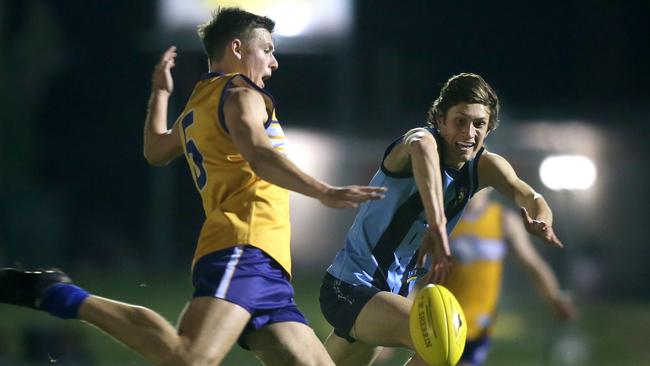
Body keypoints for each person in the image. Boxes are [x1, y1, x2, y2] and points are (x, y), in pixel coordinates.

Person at [0, 7, 386, 366]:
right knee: (191, 357)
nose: (274, 62)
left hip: (265, 264)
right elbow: (258, 153)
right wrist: (323, 191)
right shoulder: (241, 93)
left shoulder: (197, 106)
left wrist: (161, 94)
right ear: (237, 47)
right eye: (267, 50)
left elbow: (155, 150)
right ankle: (57, 293)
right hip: (244, 245)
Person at [318, 72, 566, 366]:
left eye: (479, 124)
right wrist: (437, 225)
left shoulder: (484, 166)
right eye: (460, 121)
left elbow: (529, 195)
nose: (469, 133)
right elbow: (422, 150)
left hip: (388, 294)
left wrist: (542, 218)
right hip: (350, 286)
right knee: (441, 337)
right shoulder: (420, 140)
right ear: (439, 119)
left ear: (490, 128)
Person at [446, 188, 577, 366]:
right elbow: (420, 272)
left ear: (490, 185)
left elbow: (531, 263)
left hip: (479, 324)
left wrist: (553, 297)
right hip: (442, 317)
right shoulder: (444, 219)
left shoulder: (503, 220)